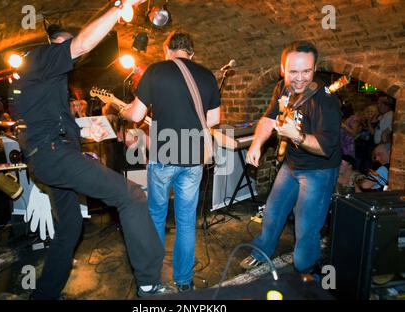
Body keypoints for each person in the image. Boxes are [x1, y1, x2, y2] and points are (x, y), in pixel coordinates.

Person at [15, 0, 171, 300]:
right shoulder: (44, 57)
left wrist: (84, 131)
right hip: (54, 155)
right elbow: (84, 42)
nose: (76, 55)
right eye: (70, 49)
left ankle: (44, 295)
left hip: (50, 157)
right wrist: (119, 8)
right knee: (132, 196)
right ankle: (150, 285)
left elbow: (49, 121)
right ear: (57, 45)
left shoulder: (47, 80)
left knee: (70, 226)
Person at [120, 31, 221, 292]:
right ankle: (184, 281)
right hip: (193, 158)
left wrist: (123, 109)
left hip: (164, 156)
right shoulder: (207, 75)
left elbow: (137, 114)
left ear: (167, 50)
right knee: (186, 221)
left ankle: (152, 280)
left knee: (156, 215)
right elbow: (212, 121)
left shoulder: (156, 70)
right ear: (192, 53)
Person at [240, 41, 341, 274]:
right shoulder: (282, 88)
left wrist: (298, 136)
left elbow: (326, 147)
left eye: (306, 71)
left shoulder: (325, 100)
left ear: (315, 68)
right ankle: (261, 252)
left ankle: (306, 271)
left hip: (319, 170)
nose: (299, 78)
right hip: (292, 164)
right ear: (282, 69)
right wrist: (257, 143)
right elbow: (268, 118)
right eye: (293, 71)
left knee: (306, 226)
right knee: (273, 212)